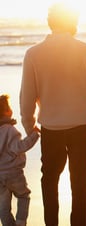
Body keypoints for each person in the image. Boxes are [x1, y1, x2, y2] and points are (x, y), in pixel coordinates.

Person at [19, 3, 86, 226]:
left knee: (50, 182)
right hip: (81, 126)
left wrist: (29, 126)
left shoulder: (33, 53)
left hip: (51, 128)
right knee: (80, 185)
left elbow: (26, 97)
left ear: (50, 22)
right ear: (74, 23)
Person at [0, 94, 39, 226]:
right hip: (14, 173)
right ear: (7, 111)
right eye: (9, 107)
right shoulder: (10, 130)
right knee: (23, 196)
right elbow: (20, 147)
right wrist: (34, 134)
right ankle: (20, 223)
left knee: (3, 205)